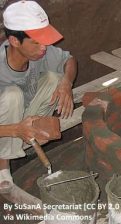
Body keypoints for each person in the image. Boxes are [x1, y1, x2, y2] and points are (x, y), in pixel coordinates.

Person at [0, 1, 77, 194]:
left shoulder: (40, 51)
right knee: (12, 95)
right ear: (15, 41)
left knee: (54, 78)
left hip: (22, 116)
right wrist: (14, 129)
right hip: (4, 123)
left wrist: (66, 83)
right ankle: (3, 164)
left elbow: (70, 60)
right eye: (36, 42)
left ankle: (30, 134)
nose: (44, 47)